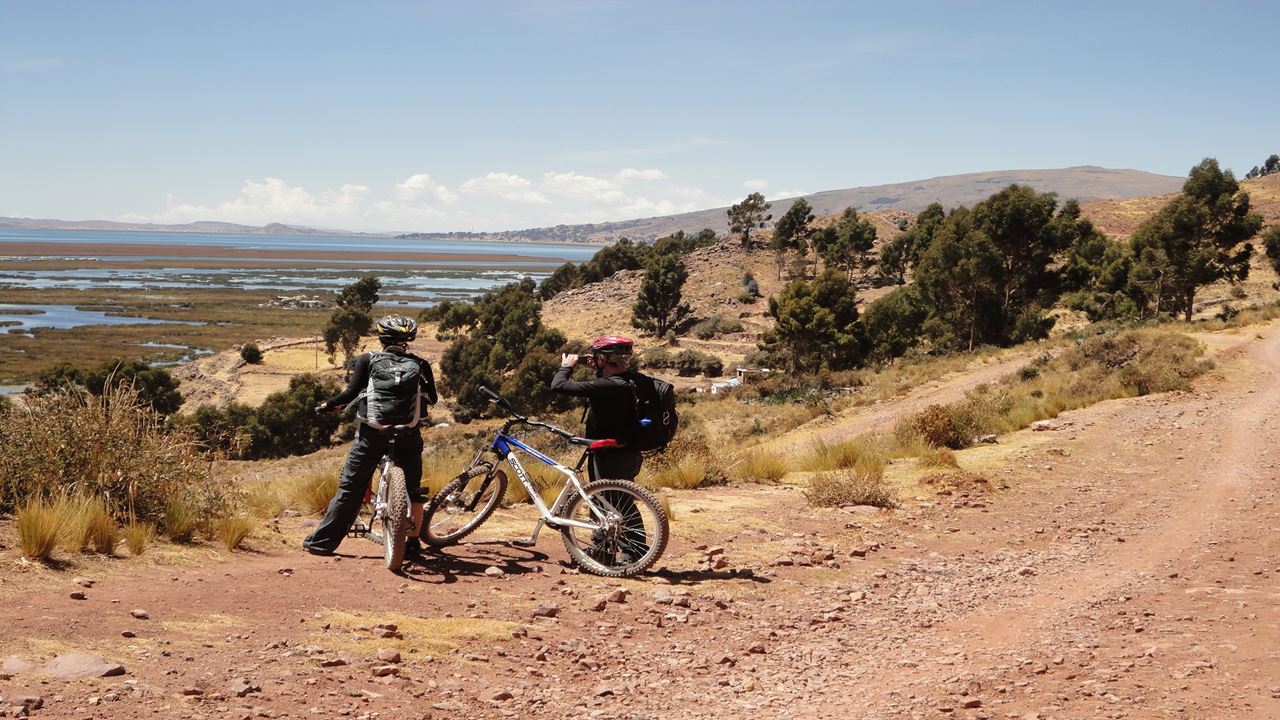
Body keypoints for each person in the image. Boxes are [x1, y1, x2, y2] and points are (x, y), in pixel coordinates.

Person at [303, 315, 437, 560]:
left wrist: (328, 405)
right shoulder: (420, 364)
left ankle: (321, 544)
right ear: (409, 339)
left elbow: (350, 393)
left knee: (351, 487)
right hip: (407, 433)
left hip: (372, 432)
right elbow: (433, 398)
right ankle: (413, 544)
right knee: (414, 490)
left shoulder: (368, 360)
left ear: (381, 338)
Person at [551, 335, 650, 562]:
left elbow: (558, 385)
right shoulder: (633, 380)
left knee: (611, 501)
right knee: (611, 499)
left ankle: (629, 551)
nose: (593, 360)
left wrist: (566, 366)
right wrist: (596, 365)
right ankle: (608, 549)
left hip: (609, 453)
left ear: (604, 360)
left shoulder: (607, 386)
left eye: (597, 357)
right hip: (627, 449)